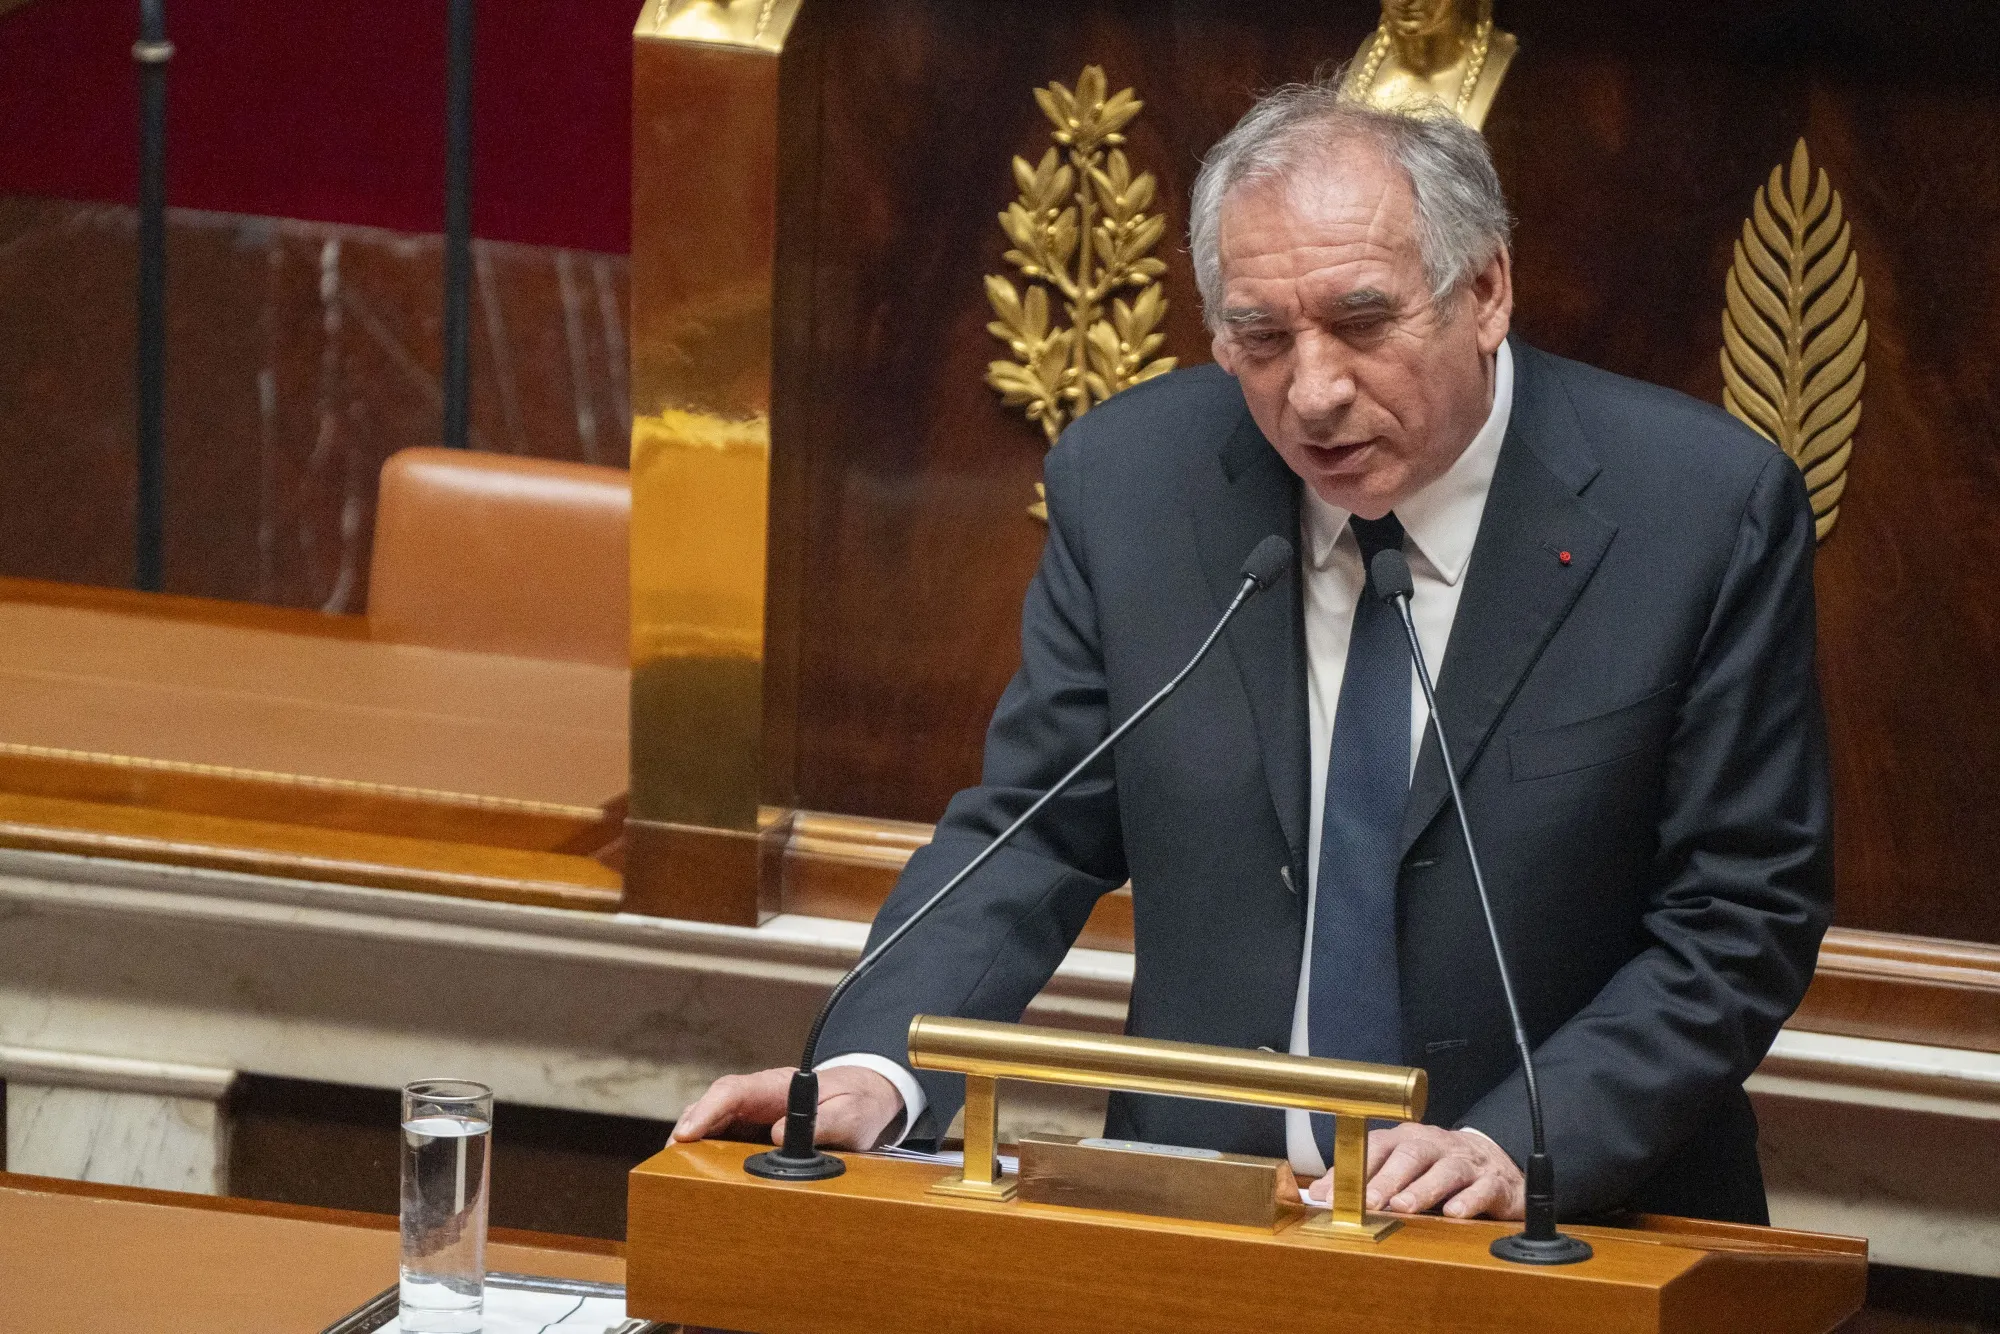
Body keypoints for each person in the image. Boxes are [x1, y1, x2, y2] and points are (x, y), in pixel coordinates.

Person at [673, 76, 1832, 1225]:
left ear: (1483, 291)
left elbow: (1738, 918)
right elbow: (1029, 830)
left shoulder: (1696, 513)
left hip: (1565, 1230)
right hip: (1204, 1223)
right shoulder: (1135, 484)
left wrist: (1516, 1141)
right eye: (1261, 338)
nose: (1311, 393)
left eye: (1361, 323)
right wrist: (875, 1070)